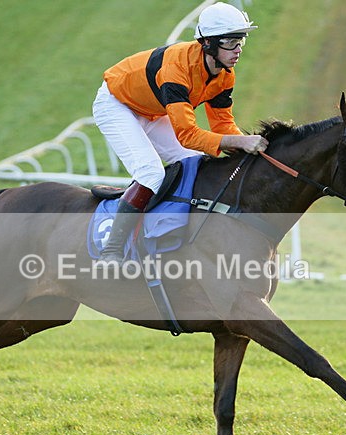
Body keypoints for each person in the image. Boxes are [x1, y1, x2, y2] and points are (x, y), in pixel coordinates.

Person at [92, 1, 268, 266]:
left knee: (193, 162)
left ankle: (167, 229)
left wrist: (246, 149)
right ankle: (112, 250)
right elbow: (187, 134)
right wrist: (239, 141)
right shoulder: (177, 69)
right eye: (231, 42)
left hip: (151, 110)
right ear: (208, 43)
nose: (238, 49)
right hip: (117, 104)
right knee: (150, 173)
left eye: (241, 41)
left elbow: (222, 125)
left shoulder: (224, 75)